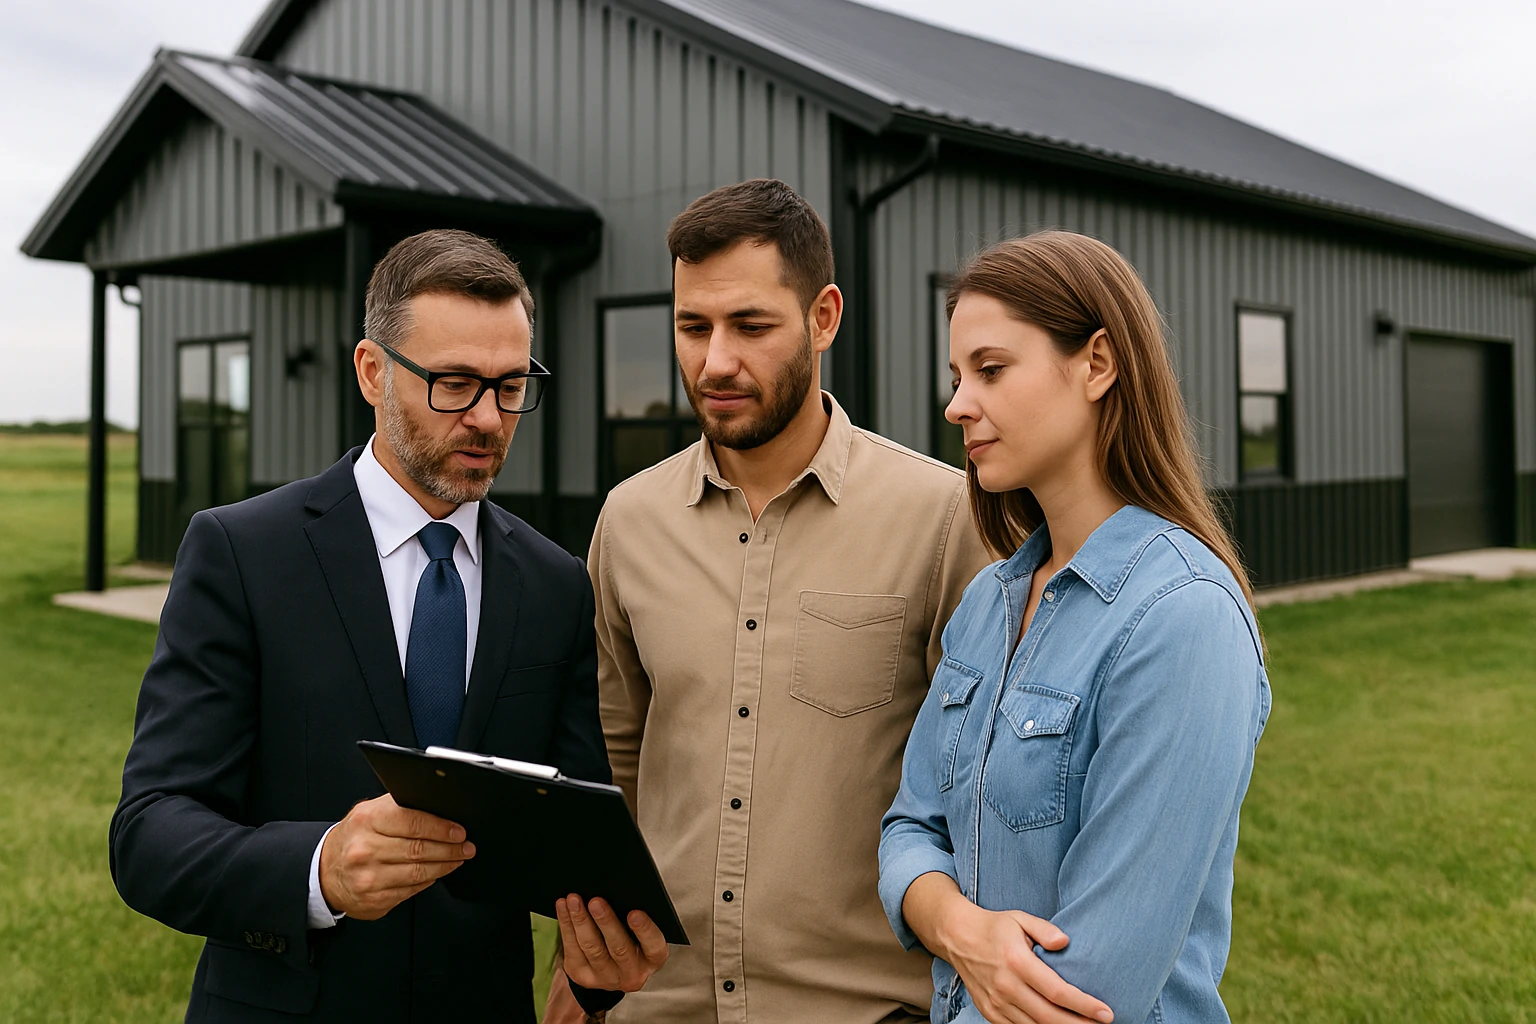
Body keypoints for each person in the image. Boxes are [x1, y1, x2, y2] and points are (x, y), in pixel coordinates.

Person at [110, 229, 664, 1023]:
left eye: (511, 386)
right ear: (373, 372)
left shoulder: (554, 585)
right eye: (453, 384)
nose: (486, 418)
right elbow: (149, 835)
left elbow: (571, 847)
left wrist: (602, 961)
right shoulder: (243, 553)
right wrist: (318, 869)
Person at [540, 177, 993, 1024]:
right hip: (656, 1003)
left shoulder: (942, 519)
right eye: (691, 326)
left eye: (750, 326)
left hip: (863, 1007)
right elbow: (616, 761)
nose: (715, 362)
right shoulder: (628, 521)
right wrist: (581, 963)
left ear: (823, 317)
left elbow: (974, 793)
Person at [879, 231, 1272, 1024]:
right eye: (957, 377)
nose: (957, 404)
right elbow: (907, 830)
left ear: (1097, 363)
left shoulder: (1183, 618)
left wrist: (956, 933)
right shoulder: (988, 603)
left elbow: (1091, 989)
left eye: (990, 370)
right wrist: (965, 930)